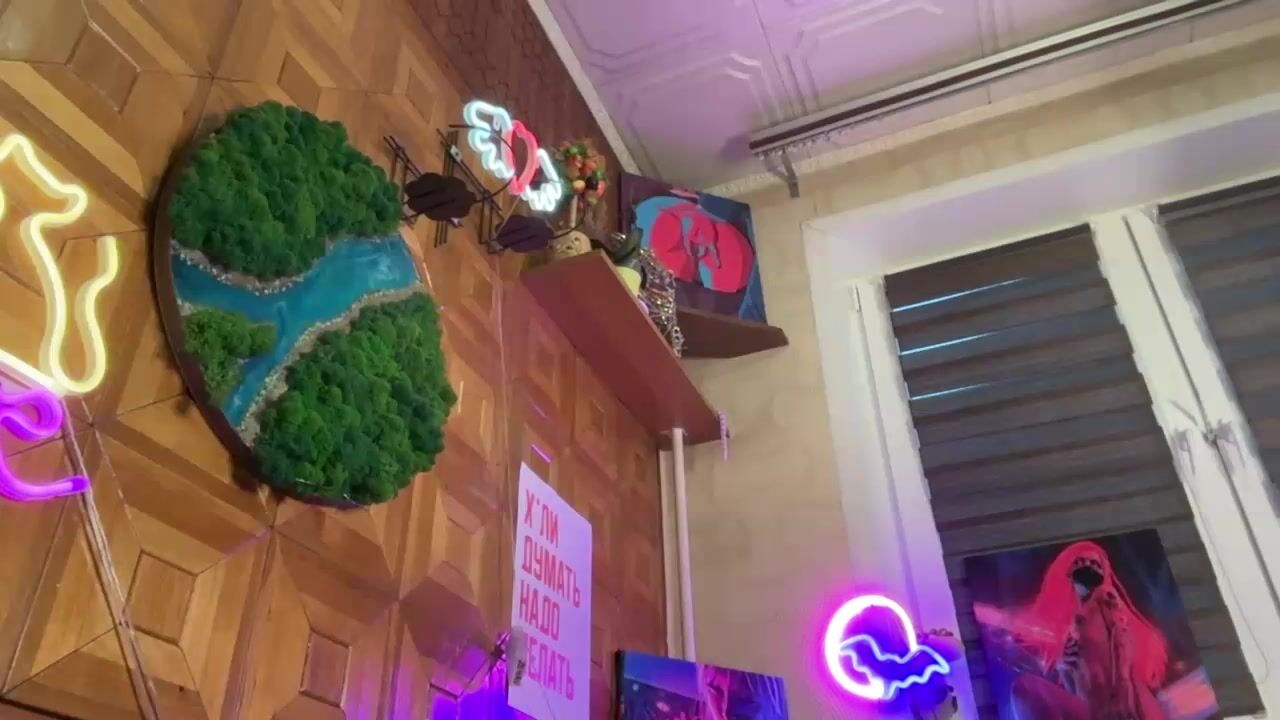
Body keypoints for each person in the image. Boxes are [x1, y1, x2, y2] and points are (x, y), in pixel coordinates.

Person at [1003, 541, 1171, 720]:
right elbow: (1075, 686)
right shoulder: (1069, 623)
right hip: (1096, 705)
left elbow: (1122, 641)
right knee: (1025, 690)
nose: (1088, 566)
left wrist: (1125, 692)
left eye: (1095, 564)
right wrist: (1064, 665)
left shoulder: (1105, 598)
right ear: (1068, 570)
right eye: (1080, 561)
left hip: (1127, 702)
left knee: (1026, 688)